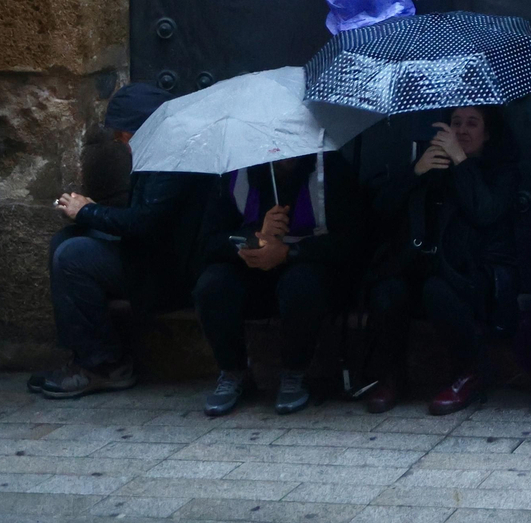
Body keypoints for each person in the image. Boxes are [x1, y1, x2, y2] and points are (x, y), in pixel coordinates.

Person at [31, 82, 212, 400]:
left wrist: (88, 211)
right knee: (66, 239)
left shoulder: (174, 160)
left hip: (169, 274)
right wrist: (88, 214)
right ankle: (86, 355)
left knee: (73, 256)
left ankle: (105, 365)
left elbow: (145, 223)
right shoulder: (159, 152)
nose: (119, 141)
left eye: (123, 133)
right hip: (151, 257)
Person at [364, 106, 522, 416]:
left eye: (472, 124)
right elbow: (380, 213)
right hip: (424, 269)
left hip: (474, 277)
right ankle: (393, 375)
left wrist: (461, 162)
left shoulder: (502, 171)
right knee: (389, 290)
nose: (461, 130)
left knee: (436, 290)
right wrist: (415, 172)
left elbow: (485, 212)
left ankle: (469, 373)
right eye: (455, 122)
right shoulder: (431, 166)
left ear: (487, 134)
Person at [192, 150, 367, 416]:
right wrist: (255, 238)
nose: (284, 154)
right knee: (212, 286)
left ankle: (295, 372)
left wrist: (289, 253)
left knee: (301, 285)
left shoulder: (330, 169)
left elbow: (353, 239)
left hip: (309, 270)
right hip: (251, 271)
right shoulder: (236, 172)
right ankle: (234, 372)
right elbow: (209, 242)